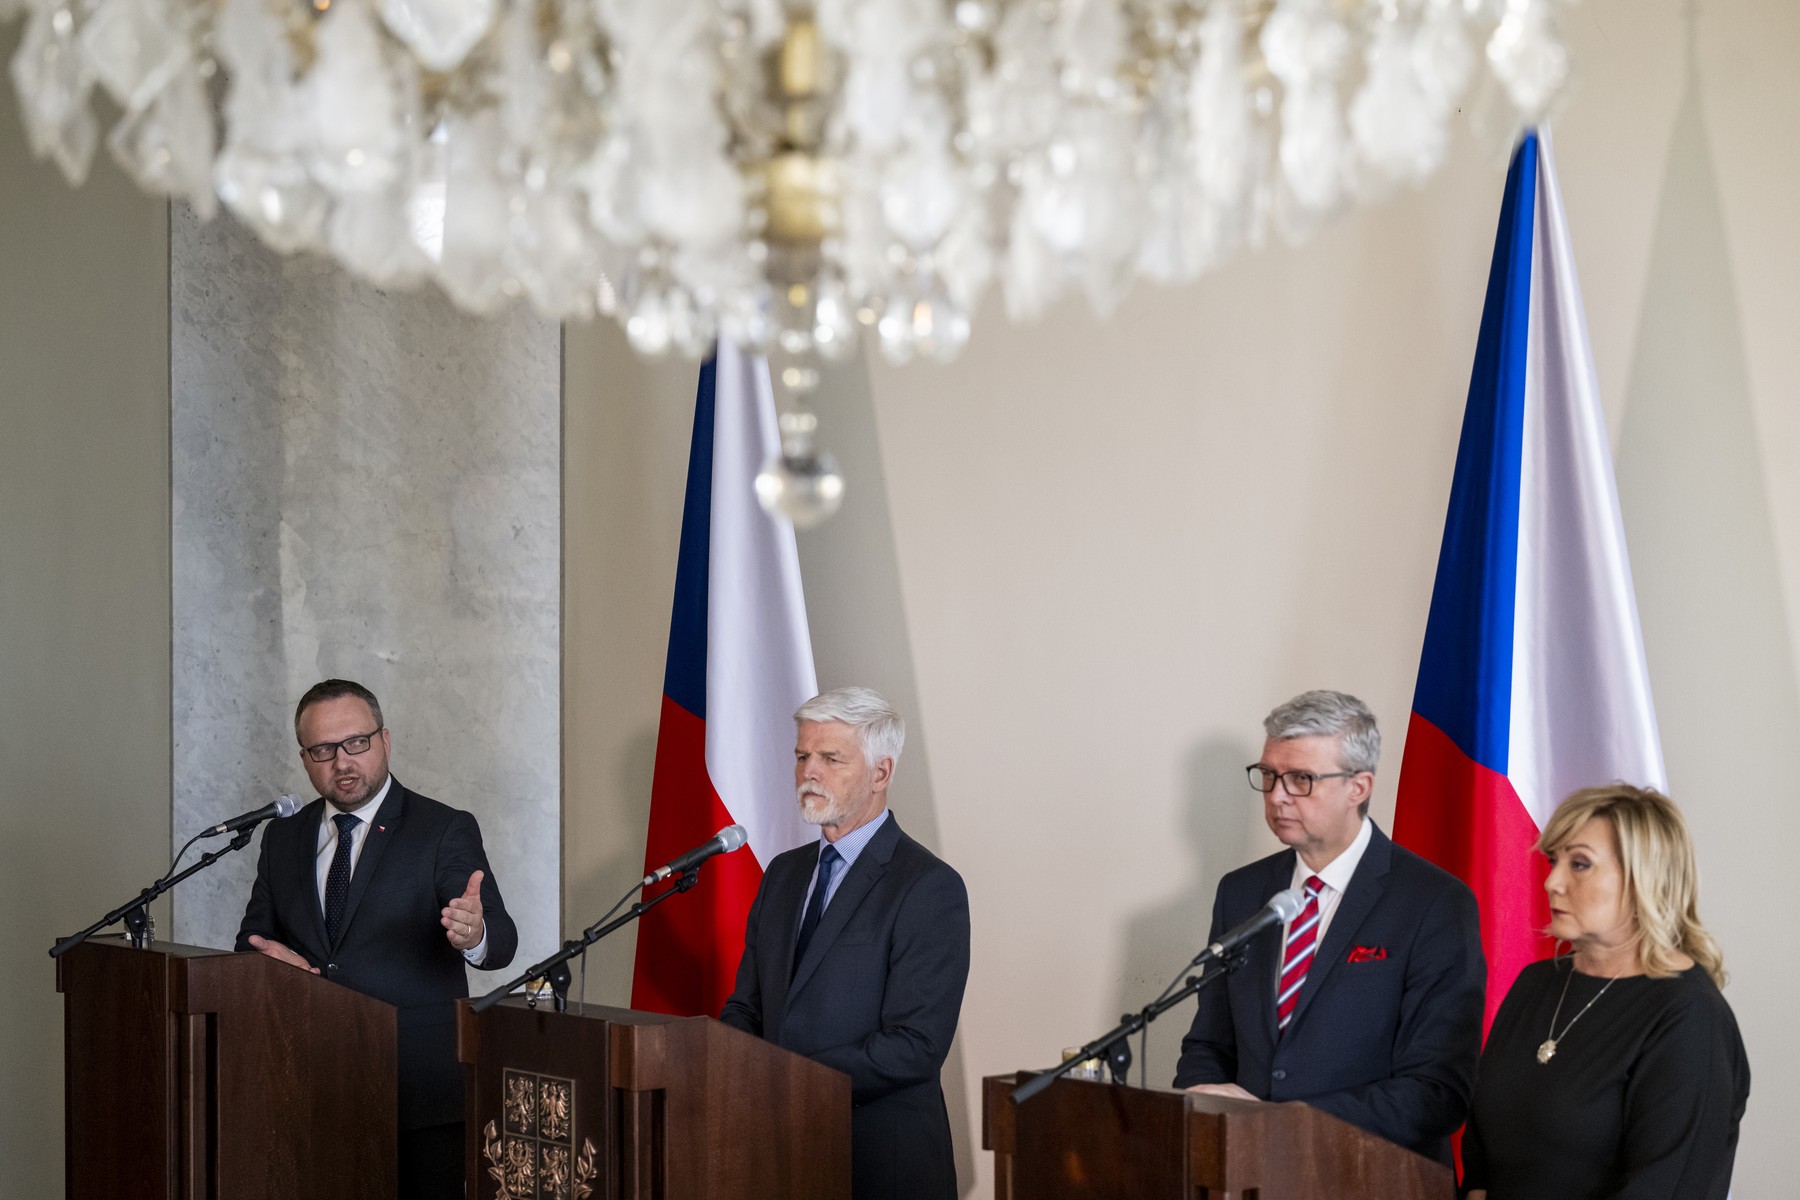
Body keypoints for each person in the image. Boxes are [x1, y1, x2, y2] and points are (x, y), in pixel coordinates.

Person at [1173, 689, 1486, 1165]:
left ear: (1358, 787)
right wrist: (1204, 1100)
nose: (1277, 796)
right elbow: (1209, 1042)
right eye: (1269, 776)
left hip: (1371, 1175)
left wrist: (1284, 1125)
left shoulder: (1434, 902)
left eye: (1300, 779)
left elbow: (1435, 1091)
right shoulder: (1241, 893)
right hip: (1247, 1174)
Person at [236, 678, 518, 1200]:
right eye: (323, 750)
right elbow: (253, 941)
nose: (342, 761)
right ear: (304, 759)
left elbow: (500, 942)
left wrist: (473, 932)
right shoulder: (283, 837)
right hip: (310, 1082)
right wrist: (272, 968)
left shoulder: (442, 828)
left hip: (419, 1090)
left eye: (356, 743)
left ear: (385, 740)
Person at [720, 687, 970, 1200]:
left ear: (881, 773)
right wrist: (727, 1062)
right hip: (776, 1155)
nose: (809, 771)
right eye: (802, 756)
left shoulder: (928, 887)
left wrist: (787, 1077)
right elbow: (747, 1006)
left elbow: (915, 1046)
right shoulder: (782, 875)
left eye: (831, 758)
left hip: (880, 1164)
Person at [1461, 785, 1750, 1200]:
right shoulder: (1535, 983)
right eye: (1553, 861)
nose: (1552, 882)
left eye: (1579, 864)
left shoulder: (1690, 1016)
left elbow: (1668, 1188)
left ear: (1643, 879)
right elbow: (1482, 1165)